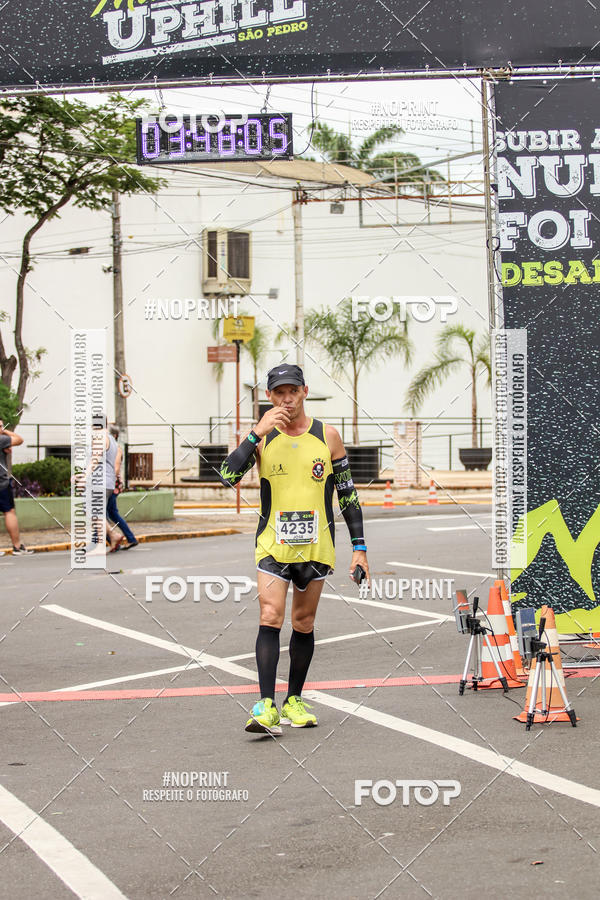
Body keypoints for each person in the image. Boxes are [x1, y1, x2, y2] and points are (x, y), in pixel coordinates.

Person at [220, 363, 370, 734]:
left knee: (303, 622)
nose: (286, 399)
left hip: (316, 546)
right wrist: (255, 433)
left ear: (305, 391)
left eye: (292, 391)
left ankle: (294, 701)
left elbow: (348, 495)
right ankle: (266, 705)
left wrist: (360, 547)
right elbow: (227, 477)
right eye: (278, 393)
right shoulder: (264, 437)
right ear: (269, 396)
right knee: (270, 616)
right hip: (272, 544)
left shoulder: (328, 436)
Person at [0, 420, 33, 555]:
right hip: (1, 482)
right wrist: (5, 431)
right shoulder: (1, 439)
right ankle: (17, 546)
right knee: (9, 512)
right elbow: (19, 440)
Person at [106, 425, 138, 550]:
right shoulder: (111, 448)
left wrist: (109, 479)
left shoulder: (117, 449)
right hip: (111, 484)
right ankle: (128, 538)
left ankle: (113, 539)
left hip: (112, 485)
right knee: (112, 514)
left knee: (103, 514)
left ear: (114, 436)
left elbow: (117, 468)